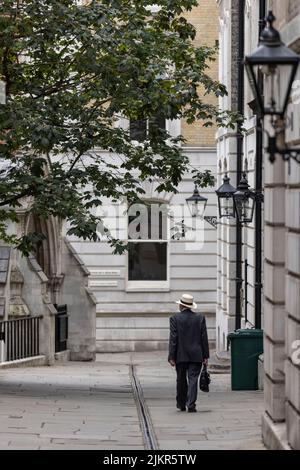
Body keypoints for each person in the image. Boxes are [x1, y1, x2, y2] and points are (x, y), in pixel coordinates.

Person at [168, 293, 209, 413]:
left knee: (181, 379)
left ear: (181, 306)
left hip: (180, 354)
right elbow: (204, 338)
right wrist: (205, 355)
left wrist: (171, 356)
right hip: (196, 354)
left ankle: (181, 404)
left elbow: (173, 339)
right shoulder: (200, 318)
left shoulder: (174, 319)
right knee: (193, 379)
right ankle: (191, 404)